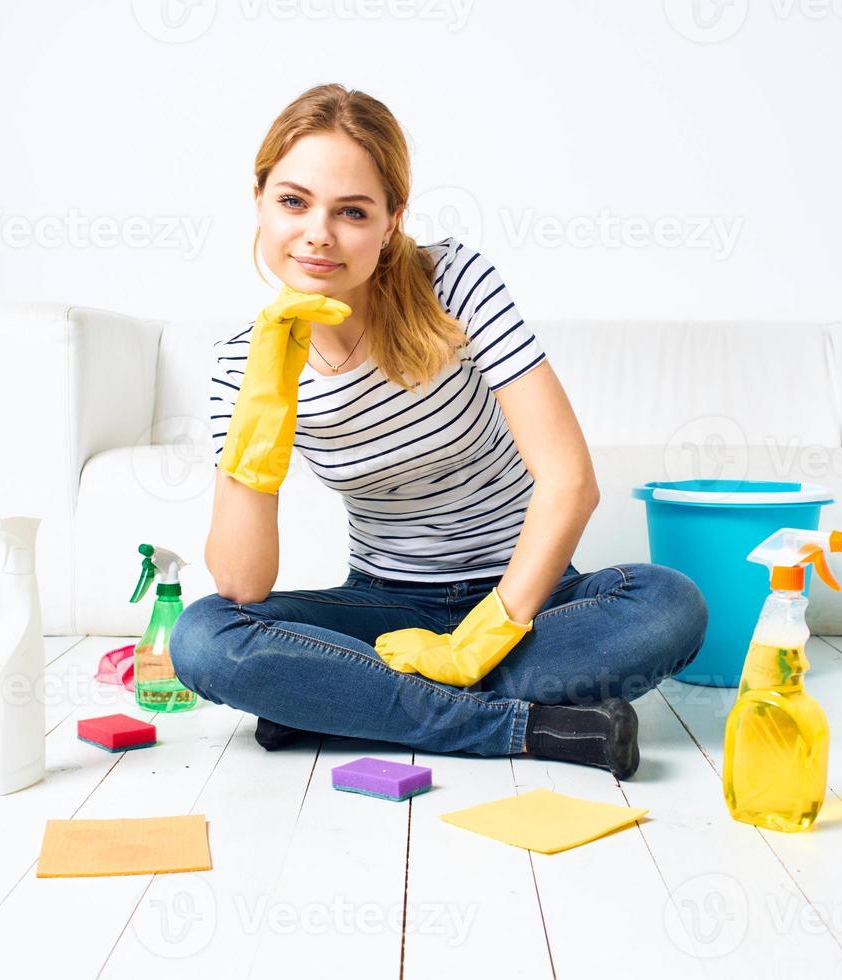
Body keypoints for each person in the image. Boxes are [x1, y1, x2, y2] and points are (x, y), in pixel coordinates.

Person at [169, 83, 708, 779]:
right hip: (383, 606)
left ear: (392, 220)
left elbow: (570, 482)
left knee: (670, 606)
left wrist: (484, 637)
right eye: (293, 201)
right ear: (260, 201)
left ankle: (342, 702)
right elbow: (243, 582)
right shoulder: (242, 363)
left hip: (532, 600)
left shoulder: (454, 282)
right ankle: (528, 730)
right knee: (206, 639)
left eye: (353, 211)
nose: (318, 233)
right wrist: (265, 387)